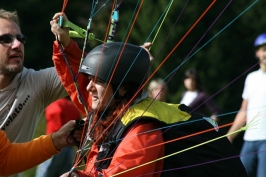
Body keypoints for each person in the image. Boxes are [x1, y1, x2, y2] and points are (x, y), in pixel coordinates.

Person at [50, 13, 247, 177]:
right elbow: (80, 84)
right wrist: (66, 45)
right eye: (91, 79)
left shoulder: (142, 131)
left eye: (99, 81)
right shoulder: (110, 109)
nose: (89, 87)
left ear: (124, 89)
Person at [0, 9, 68, 177]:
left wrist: (132, 58)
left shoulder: (35, 83)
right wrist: (56, 140)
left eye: (20, 38)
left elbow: (89, 72)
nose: (17, 45)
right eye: (6, 39)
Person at [227, 33, 266, 177]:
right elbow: (243, 111)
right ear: (257, 52)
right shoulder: (251, 78)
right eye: (263, 49)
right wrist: (229, 136)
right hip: (249, 140)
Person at [0, 120, 77, 177]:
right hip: (68, 146)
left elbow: (3, 156)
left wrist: (58, 139)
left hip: (57, 145)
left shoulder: (54, 106)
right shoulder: (72, 108)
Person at [35, 97, 81, 177]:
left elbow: (56, 113)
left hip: (54, 145)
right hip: (69, 148)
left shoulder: (54, 103)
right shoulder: (73, 107)